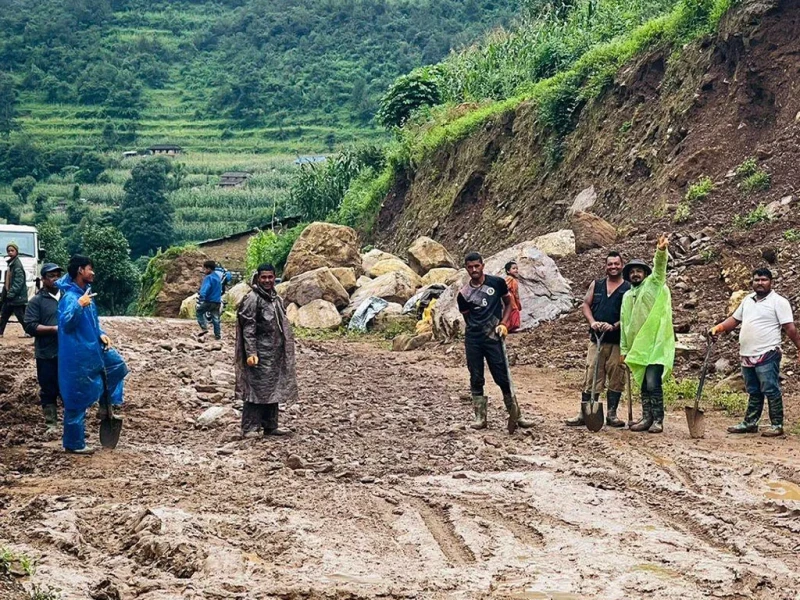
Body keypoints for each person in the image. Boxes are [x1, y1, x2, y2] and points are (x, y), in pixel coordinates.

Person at [710, 268, 800, 437]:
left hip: (767, 352)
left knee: (770, 388)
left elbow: (789, 328)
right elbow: (734, 320)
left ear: (771, 282)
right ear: (752, 282)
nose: (760, 283)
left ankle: (777, 424)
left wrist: (799, 347)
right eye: (756, 280)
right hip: (747, 353)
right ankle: (750, 423)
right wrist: (719, 328)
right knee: (753, 390)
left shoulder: (778, 302)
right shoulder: (747, 301)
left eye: (764, 280)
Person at [57, 255, 128, 455]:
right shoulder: (71, 298)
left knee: (117, 366)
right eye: (90, 268)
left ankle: (105, 404)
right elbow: (67, 323)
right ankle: (74, 443)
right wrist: (79, 305)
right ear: (80, 270)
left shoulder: (86, 295)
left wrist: (101, 334)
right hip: (78, 354)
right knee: (76, 397)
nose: (93, 272)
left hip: (93, 348)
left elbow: (92, 324)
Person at [458, 252, 533, 433]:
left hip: (494, 337)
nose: (474, 269)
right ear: (466, 269)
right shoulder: (463, 294)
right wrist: (479, 330)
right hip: (473, 339)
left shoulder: (497, 283)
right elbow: (468, 318)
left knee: (502, 375)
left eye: (477, 265)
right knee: (476, 376)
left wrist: (503, 324)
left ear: (483, 265)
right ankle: (480, 417)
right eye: (470, 267)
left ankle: (516, 414)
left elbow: (509, 304)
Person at [567, 251, 631, 428]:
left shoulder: (628, 288)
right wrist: (592, 322)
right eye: (610, 264)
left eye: (616, 264)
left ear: (622, 265)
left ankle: (612, 414)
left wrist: (616, 325)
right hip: (597, 339)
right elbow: (585, 304)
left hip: (618, 340)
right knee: (592, 374)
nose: (613, 267)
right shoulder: (597, 284)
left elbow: (631, 314)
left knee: (616, 375)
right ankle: (585, 413)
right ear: (606, 266)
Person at [620, 235, 674, 434]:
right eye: (632, 272)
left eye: (638, 271)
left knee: (653, 382)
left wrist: (661, 252)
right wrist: (624, 349)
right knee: (643, 384)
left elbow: (660, 269)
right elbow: (625, 323)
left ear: (645, 273)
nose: (635, 274)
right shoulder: (627, 295)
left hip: (654, 345)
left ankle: (658, 419)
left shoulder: (653, 284)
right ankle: (646, 417)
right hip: (636, 347)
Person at [235, 263, 297, 437]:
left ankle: (270, 425)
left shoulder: (275, 298)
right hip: (259, 354)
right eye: (264, 277)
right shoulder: (252, 299)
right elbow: (248, 328)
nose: (267, 280)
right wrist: (251, 352)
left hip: (274, 353)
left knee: (273, 388)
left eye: (270, 277)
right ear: (258, 278)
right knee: (256, 389)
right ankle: (250, 427)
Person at [23, 263, 64, 434]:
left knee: (68, 387)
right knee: (48, 388)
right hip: (46, 352)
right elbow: (30, 326)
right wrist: (54, 329)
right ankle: (51, 424)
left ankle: (71, 423)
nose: (55, 279)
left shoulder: (67, 297)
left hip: (67, 352)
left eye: (57, 275)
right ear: (43, 279)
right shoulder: (36, 302)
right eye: (51, 276)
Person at [0, 242, 29, 337]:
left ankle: (29, 331)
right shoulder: (11, 263)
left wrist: (11, 293)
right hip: (10, 295)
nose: (10, 252)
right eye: (8, 251)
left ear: (16, 252)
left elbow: (18, 282)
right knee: (4, 314)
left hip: (16, 296)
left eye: (12, 250)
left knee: (20, 315)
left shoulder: (17, 265)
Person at [197, 260, 222, 340]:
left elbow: (205, 288)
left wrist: (202, 296)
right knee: (215, 318)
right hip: (217, 301)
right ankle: (217, 335)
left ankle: (204, 328)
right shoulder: (217, 278)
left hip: (209, 301)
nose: (204, 271)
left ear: (208, 269)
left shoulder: (208, 278)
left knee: (199, 311)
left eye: (205, 269)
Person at [504, 261, 522, 333]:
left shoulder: (513, 279)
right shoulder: (509, 279)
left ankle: (510, 327)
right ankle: (513, 327)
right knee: (514, 310)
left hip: (513, 297)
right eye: (513, 268)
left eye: (517, 268)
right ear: (508, 271)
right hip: (510, 297)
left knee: (514, 310)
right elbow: (505, 286)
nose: (516, 270)